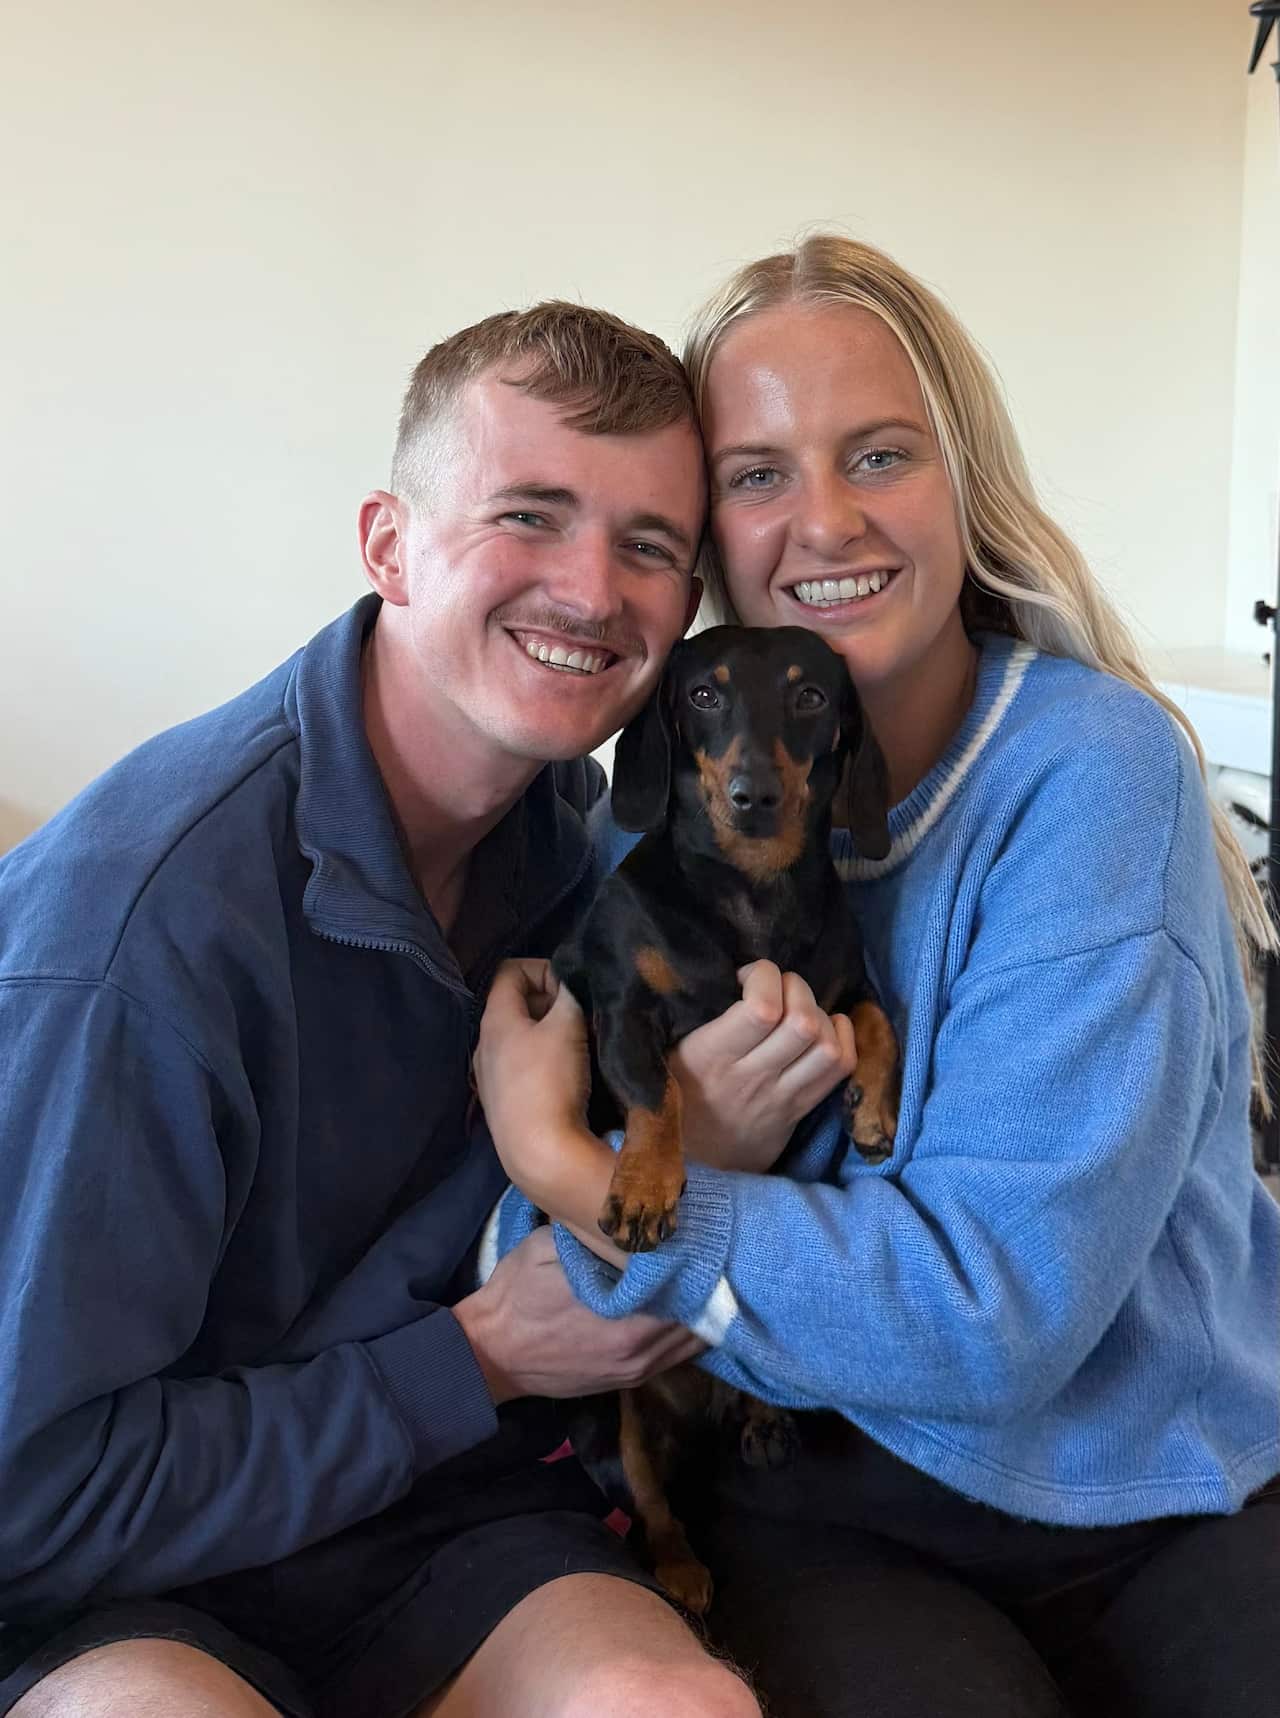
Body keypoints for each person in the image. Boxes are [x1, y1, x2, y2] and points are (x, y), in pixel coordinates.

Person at [475, 236, 1280, 1718]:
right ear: (709, 532)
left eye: (880, 455)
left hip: (1144, 1493)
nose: (826, 519)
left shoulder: (1092, 776)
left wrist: (559, 1162)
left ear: (964, 483)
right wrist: (608, 1174)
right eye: (759, 473)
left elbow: (997, 1313)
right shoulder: (654, 815)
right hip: (808, 1499)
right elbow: (549, 1285)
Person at [0, 303, 774, 1718]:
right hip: (122, 1581)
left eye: (651, 546)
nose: (592, 591)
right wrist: (477, 1358)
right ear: (388, 544)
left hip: (447, 1522)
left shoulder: (579, 844)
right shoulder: (135, 936)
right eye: (529, 515)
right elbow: (35, 1496)